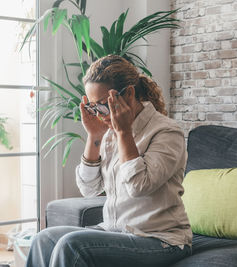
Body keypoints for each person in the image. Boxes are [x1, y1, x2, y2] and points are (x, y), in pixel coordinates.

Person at [26, 55, 192, 267]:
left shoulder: (166, 132)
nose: (99, 114)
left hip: (160, 239)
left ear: (129, 93)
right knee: (44, 239)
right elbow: (89, 189)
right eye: (93, 107)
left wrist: (124, 133)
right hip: (115, 230)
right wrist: (94, 136)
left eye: (103, 105)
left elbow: (139, 186)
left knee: (72, 245)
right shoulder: (110, 133)